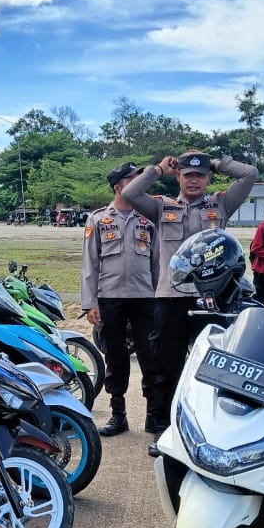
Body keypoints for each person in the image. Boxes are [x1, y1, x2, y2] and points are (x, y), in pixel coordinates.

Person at [121, 149, 258, 433]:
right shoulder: (161, 207)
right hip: (171, 297)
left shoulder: (221, 204)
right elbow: (131, 193)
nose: (193, 180)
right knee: (165, 366)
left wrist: (218, 163)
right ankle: (162, 425)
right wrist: (158, 170)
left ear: (208, 178)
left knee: (213, 364)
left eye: (200, 175)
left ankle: (209, 426)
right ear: (179, 177)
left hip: (212, 298)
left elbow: (249, 174)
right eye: (188, 175)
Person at [80, 162, 163, 436]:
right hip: (110, 298)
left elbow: (156, 263)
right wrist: (90, 303)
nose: (139, 183)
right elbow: (90, 264)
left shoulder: (148, 218)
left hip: (144, 298)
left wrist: (160, 298)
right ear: (118, 187)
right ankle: (118, 415)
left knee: (151, 356)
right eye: (132, 179)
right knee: (115, 358)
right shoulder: (98, 219)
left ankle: (153, 415)